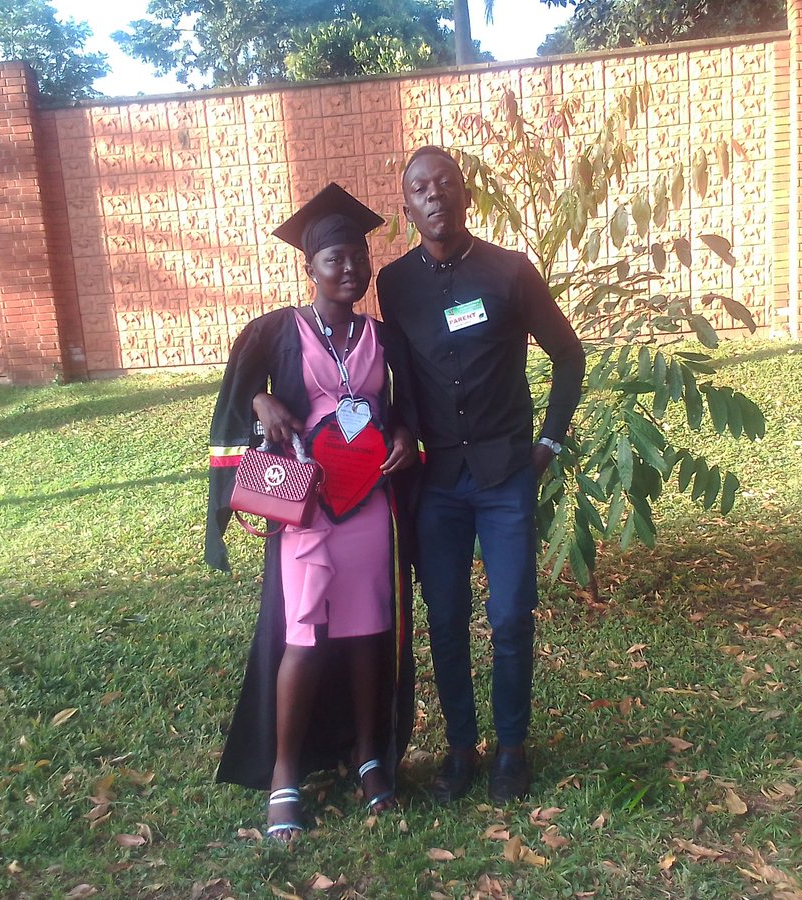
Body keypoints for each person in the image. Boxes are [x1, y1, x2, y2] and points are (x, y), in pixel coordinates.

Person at [205, 183, 419, 840]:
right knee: (303, 638)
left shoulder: (384, 339)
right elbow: (231, 411)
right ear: (310, 265)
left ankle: (369, 757)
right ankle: (284, 774)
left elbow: (406, 415)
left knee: (365, 638)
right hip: (306, 508)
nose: (350, 267)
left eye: (358, 255)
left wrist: (409, 439)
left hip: (368, 510)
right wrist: (259, 407)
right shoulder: (274, 332)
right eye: (335, 258)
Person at [377, 146, 585, 804]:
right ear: (406, 207)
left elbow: (569, 355)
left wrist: (548, 442)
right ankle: (461, 749)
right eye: (419, 188)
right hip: (436, 482)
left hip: (503, 479)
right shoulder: (395, 284)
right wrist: (405, 430)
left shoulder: (509, 272)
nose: (434, 195)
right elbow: (401, 375)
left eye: (444, 184)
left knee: (511, 615)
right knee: (444, 618)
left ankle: (512, 749)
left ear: (465, 195)